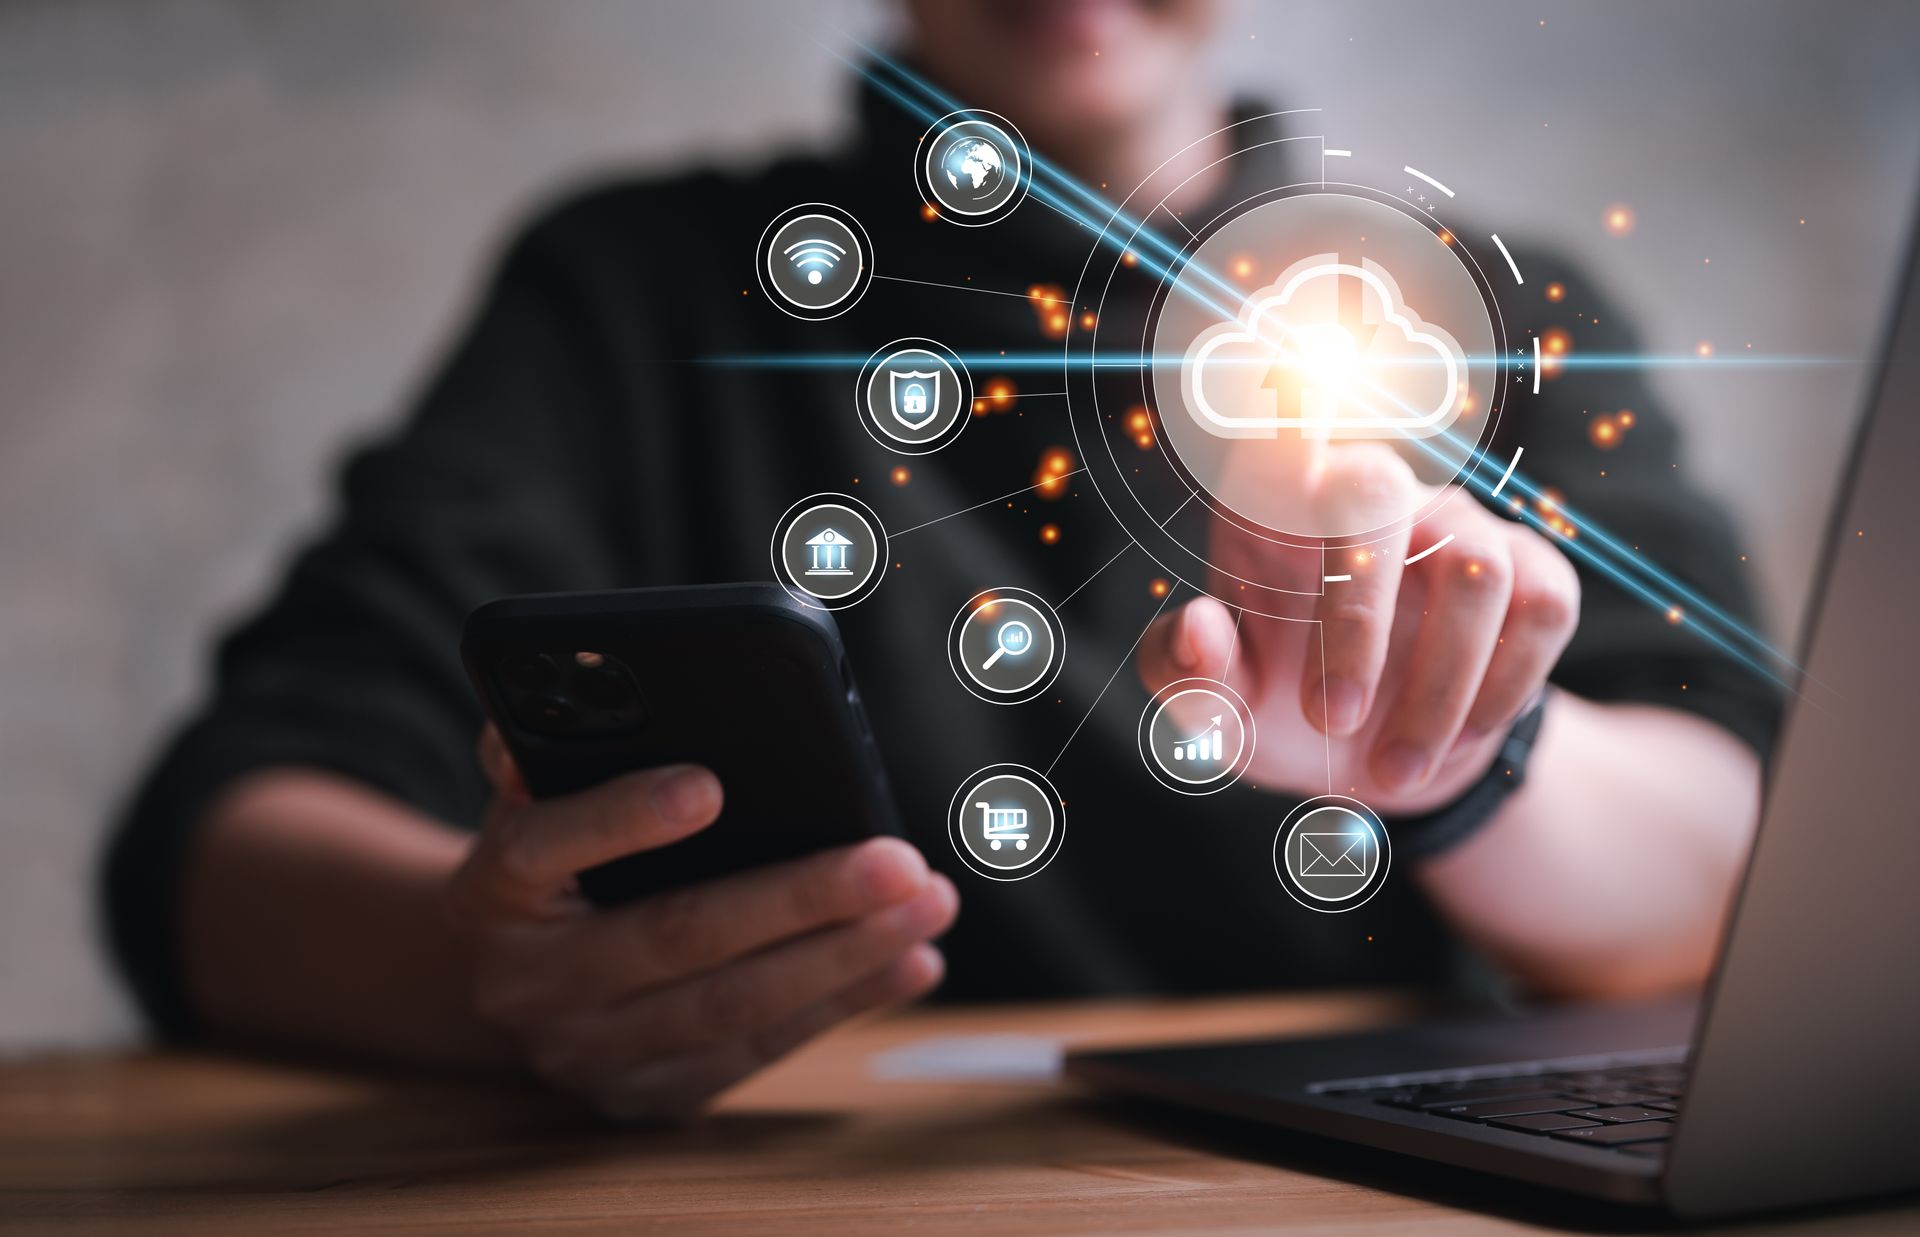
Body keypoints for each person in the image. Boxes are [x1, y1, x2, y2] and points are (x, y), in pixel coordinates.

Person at [105, 0, 1777, 1122]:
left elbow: (1742, 870)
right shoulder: (639, 294)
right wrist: (497, 980)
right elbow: (228, 839)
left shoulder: (1489, 309)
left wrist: (1464, 762)